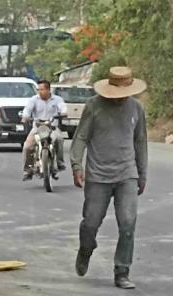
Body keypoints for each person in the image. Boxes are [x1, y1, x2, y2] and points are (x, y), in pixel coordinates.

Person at [70, 67, 148, 289]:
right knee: (91, 222)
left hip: (127, 174)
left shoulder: (136, 108)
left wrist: (142, 173)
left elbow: (140, 141)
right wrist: (77, 166)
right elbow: (81, 137)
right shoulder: (94, 105)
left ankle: (122, 271)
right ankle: (86, 248)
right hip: (98, 175)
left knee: (128, 223)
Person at [21, 80, 67, 181]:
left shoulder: (57, 99)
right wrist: (25, 117)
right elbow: (27, 110)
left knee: (59, 139)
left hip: (52, 128)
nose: (39, 92)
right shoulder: (34, 99)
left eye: (42, 89)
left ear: (48, 89)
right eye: (38, 90)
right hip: (37, 128)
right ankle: (28, 169)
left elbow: (63, 108)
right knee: (27, 147)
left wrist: (63, 113)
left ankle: (60, 163)